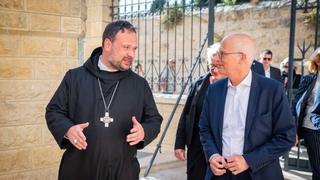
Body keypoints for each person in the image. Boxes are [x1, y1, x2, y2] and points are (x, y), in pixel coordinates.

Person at [45, 20, 163, 180]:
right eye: (126, 47)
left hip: (122, 172)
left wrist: (144, 132)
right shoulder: (75, 78)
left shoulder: (139, 84)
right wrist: (68, 129)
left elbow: (154, 119)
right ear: (108, 45)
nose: (132, 55)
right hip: (79, 171)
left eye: (134, 48)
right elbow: (54, 111)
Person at [198, 33, 296, 180]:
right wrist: (212, 155)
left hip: (258, 173)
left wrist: (249, 160)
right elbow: (205, 128)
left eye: (223, 54)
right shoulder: (214, 90)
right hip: (220, 174)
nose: (218, 58)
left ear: (242, 57)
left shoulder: (272, 89)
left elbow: (286, 136)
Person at [174, 43, 226, 180]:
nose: (215, 69)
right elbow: (186, 114)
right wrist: (179, 142)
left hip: (222, 150)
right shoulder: (198, 83)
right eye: (211, 65)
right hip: (197, 146)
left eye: (219, 65)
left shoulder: (232, 85)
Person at [291, 47, 320, 180]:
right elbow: (297, 103)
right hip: (312, 129)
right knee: (318, 169)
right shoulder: (309, 79)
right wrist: (294, 130)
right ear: (318, 62)